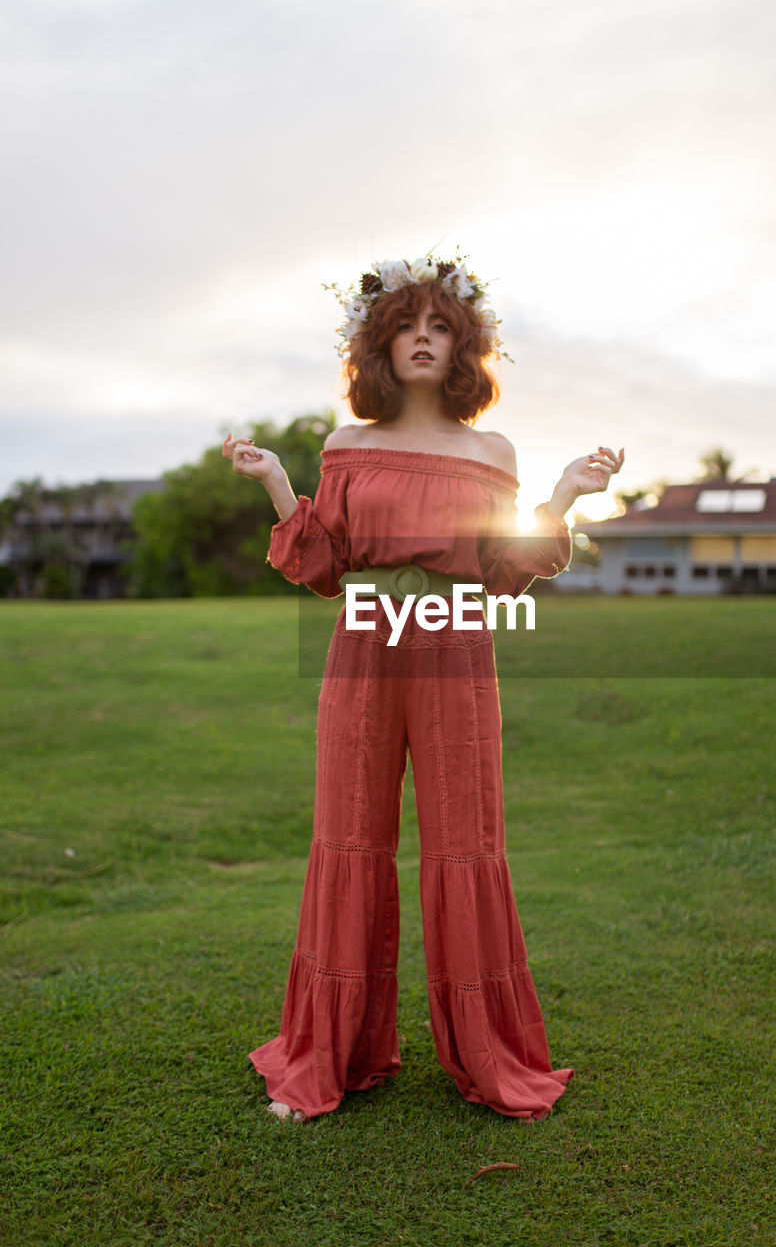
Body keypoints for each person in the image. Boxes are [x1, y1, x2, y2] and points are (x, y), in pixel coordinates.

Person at [224, 255, 623, 1124]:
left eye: (440, 327)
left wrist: (565, 492)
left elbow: (505, 567)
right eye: (406, 326)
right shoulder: (347, 446)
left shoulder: (490, 452)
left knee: (465, 842)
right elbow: (324, 562)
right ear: (377, 342)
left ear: (464, 346)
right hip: (363, 645)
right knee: (348, 839)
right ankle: (328, 1054)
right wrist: (272, 481)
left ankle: (490, 1058)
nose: (421, 341)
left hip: (456, 652)